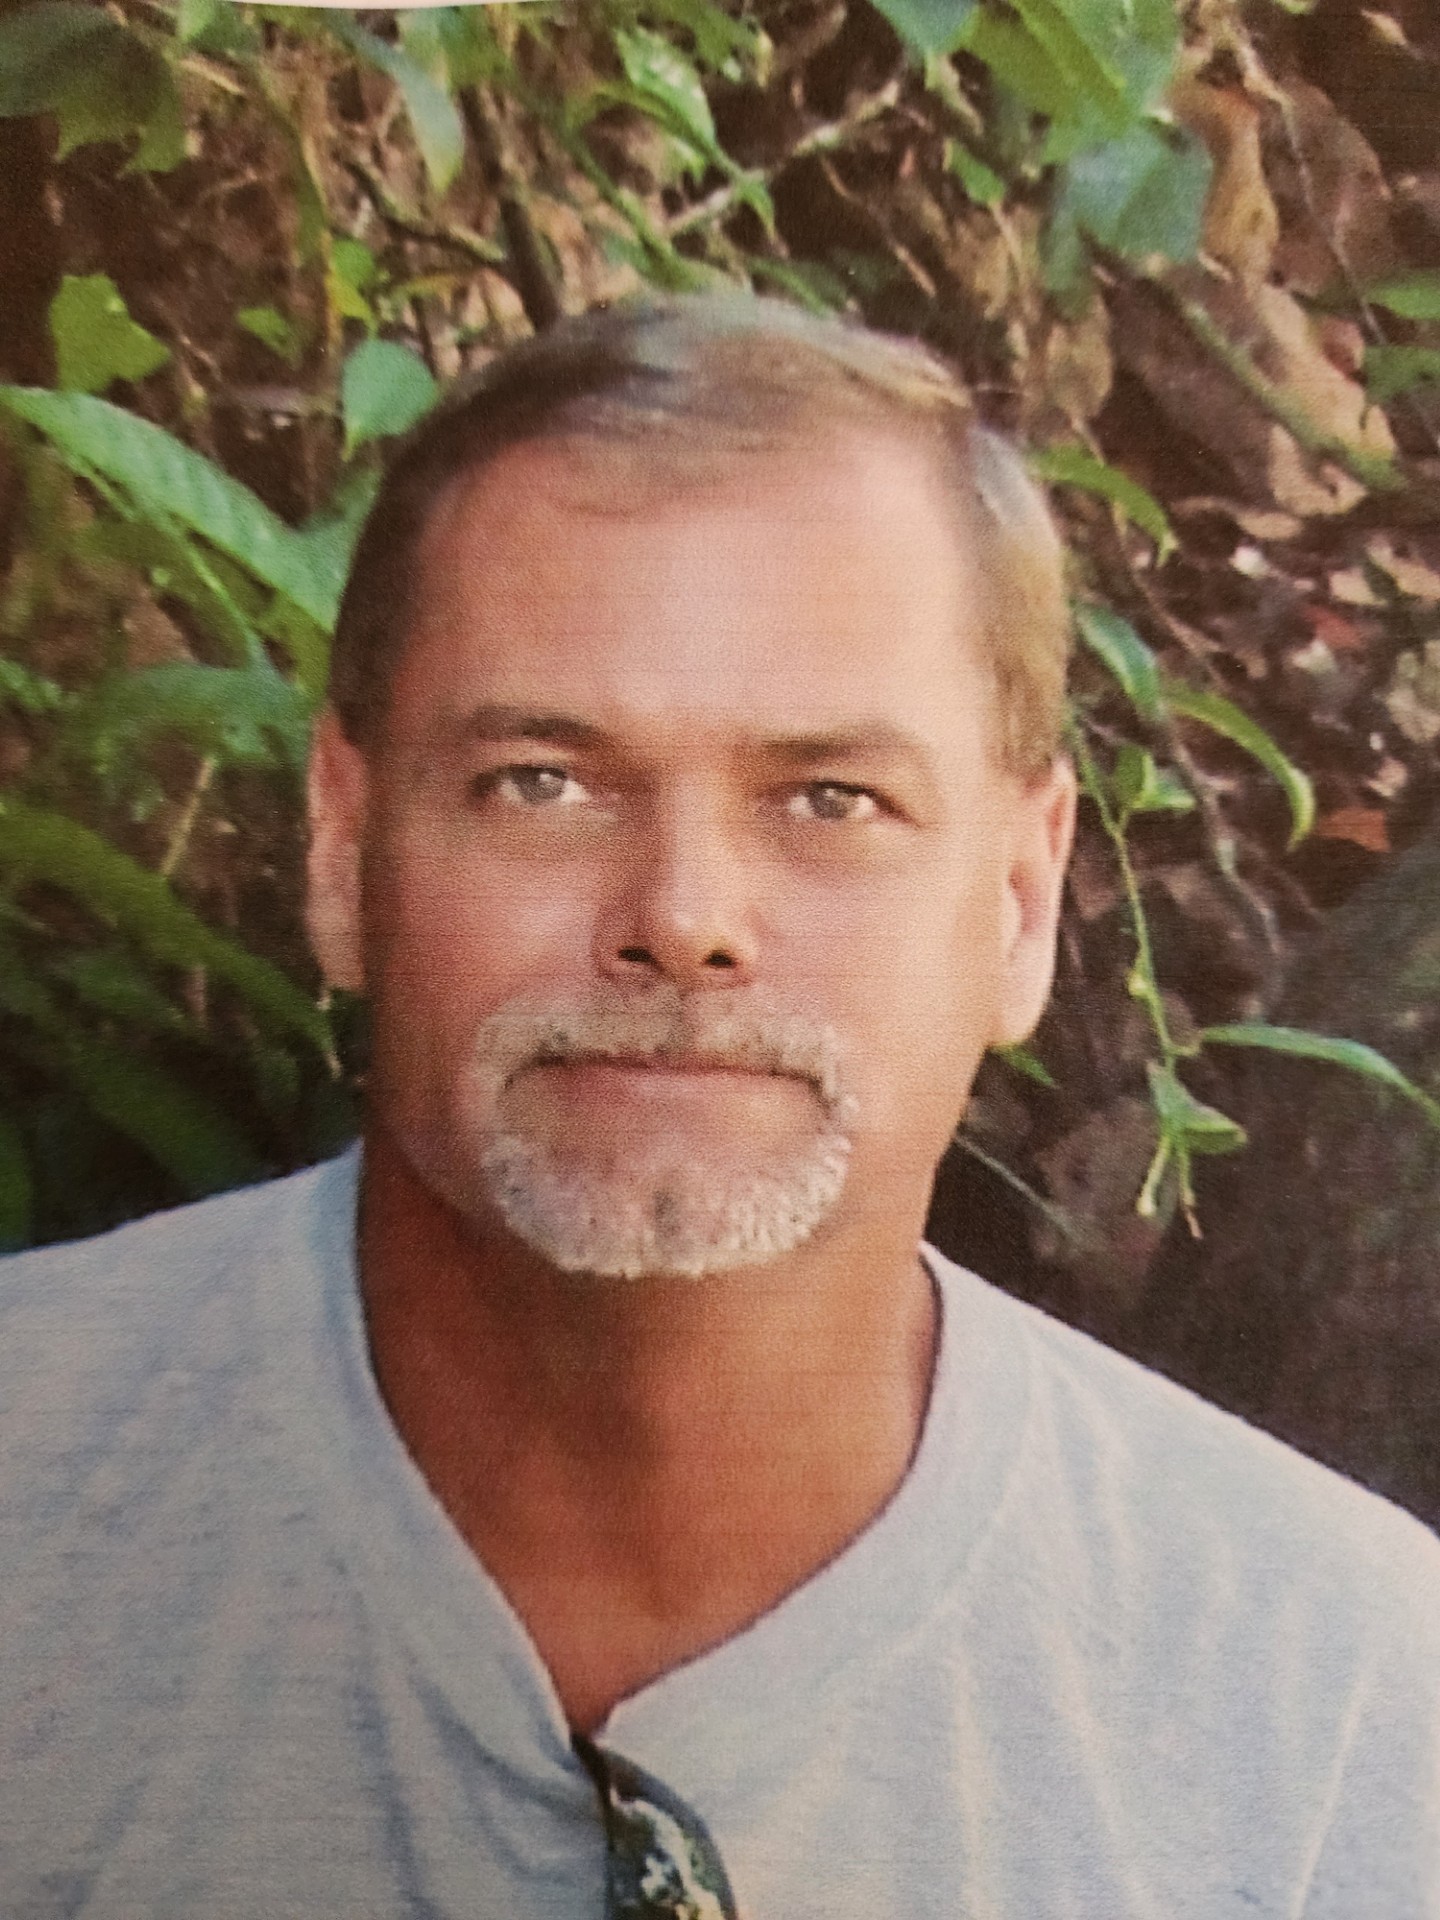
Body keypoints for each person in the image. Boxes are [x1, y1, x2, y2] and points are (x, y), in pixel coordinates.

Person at [1, 295, 1437, 1920]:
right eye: (541, 782)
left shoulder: (1341, 1716)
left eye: (832, 799)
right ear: (344, 852)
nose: (683, 916)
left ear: (1021, 902)